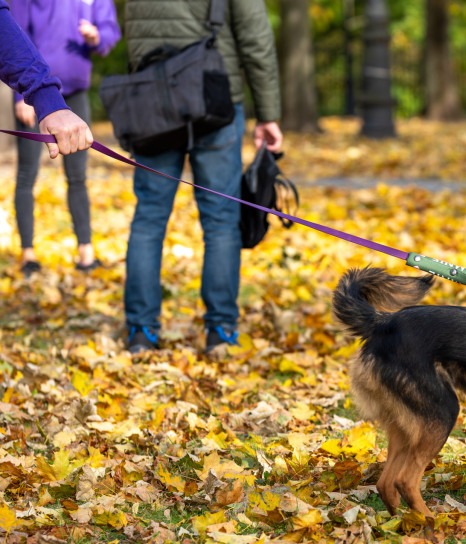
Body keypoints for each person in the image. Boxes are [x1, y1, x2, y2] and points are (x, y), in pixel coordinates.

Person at [121, 0, 283, 356]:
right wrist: (268, 112)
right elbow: (255, 37)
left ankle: (140, 331)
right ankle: (220, 331)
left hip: (151, 96)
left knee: (148, 217)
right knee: (222, 219)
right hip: (214, 95)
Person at [11, 0, 120, 278]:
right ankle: (28, 253)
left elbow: (110, 31)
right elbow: (14, 31)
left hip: (75, 91)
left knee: (78, 176)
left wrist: (98, 38)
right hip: (35, 93)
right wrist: (20, 95)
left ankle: (86, 252)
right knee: (27, 173)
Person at [0, 1, 93, 158]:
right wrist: (26, 96)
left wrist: (45, 98)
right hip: (32, 92)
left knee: (78, 172)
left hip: (68, 87)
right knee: (28, 167)